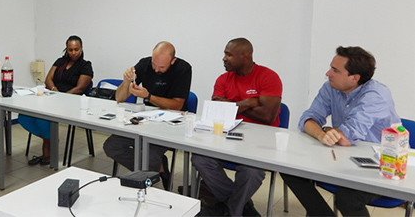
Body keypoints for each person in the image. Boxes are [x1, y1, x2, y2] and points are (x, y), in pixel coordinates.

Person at [281, 46, 400, 217]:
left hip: (381, 166)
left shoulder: (376, 95)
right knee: (290, 169)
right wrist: (322, 134)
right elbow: (307, 119)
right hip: (342, 158)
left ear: (354, 78)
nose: (328, 73)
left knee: (347, 198)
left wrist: (327, 130)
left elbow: (345, 137)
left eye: (335, 70)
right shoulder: (330, 87)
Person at [192, 38, 282, 217]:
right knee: (200, 159)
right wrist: (248, 102)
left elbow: (267, 116)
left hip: (260, 140)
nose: (224, 59)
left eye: (229, 54)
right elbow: (217, 111)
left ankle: (231, 211)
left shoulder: (268, 77)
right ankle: (240, 205)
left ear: (245, 56)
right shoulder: (223, 79)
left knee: (252, 171)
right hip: (226, 137)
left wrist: (230, 105)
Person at [102, 41, 191, 187]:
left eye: (161, 67)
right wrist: (126, 81)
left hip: (171, 123)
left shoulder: (183, 69)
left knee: (149, 157)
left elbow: (177, 105)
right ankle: (156, 169)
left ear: (173, 61)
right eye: (154, 64)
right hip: (147, 119)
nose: (156, 69)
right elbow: (119, 98)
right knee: (111, 146)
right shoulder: (144, 64)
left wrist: (149, 96)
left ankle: (146, 172)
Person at [19, 35, 93, 166]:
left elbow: (80, 88)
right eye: (70, 50)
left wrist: (62, 97)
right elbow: (48, 79)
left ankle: (48, 150)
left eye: (76, 49)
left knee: (43, 118)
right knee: (24, 116)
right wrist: (55, 91)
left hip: (71, 102)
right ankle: (52, 138)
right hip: (53, 97)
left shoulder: (85, 65)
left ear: (81, 49)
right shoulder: (60, 61)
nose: (73, 52)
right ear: (66, 49)